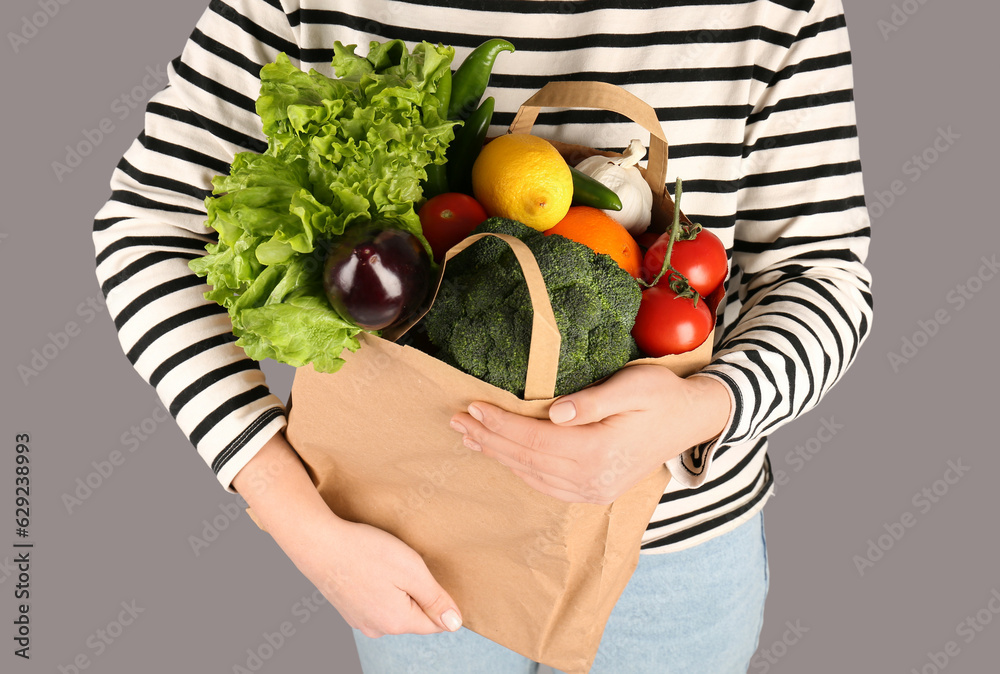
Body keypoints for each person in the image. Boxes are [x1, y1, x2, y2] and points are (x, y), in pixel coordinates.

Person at [92, 1, 873, 672]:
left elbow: (826, 279)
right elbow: (145, 233)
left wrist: (705, 406)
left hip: (671, 561)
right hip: (410, 550)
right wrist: (299, 520)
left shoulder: (775, 13)